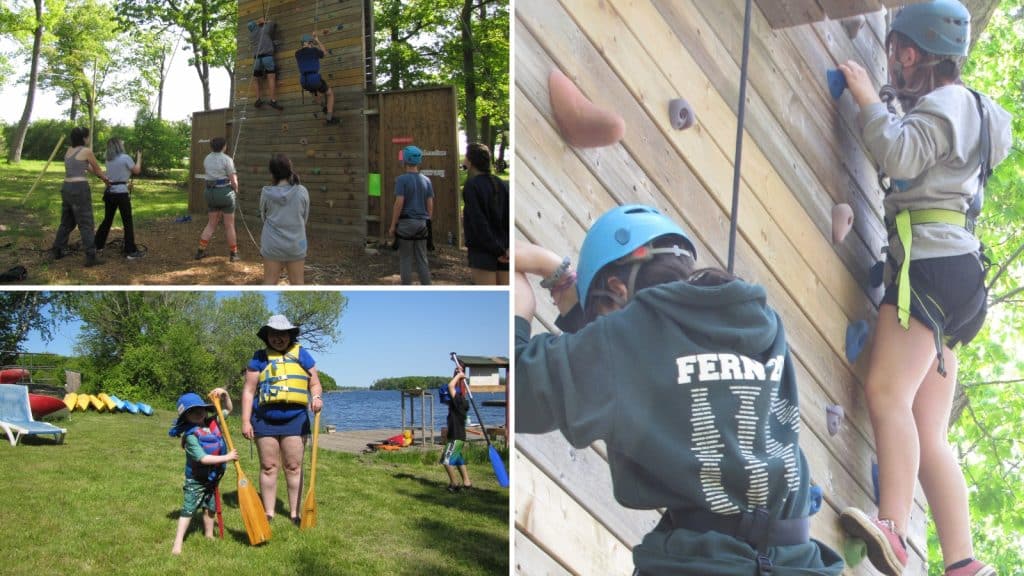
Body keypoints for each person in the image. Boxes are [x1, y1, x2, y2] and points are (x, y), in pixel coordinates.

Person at [514, 204, 844, 575]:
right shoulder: (756, 320)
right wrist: (568, 286)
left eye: (599, 317)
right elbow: (655, 368)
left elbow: (515, 394)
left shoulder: (629, 340)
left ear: (619, 290)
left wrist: (516, 315)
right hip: (796, 562)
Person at [836, 2, 1010, 576]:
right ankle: (963, 564)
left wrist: (866, 100)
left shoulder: (947, 104)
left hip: (927, 270)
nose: (891, 64)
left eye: (894, 54)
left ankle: (892, 527)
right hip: (961, 278)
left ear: (912, 52)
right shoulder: (976, 114)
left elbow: (901, 156)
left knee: (887, 393)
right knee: (928, 427)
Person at [241, 315, 324, 525]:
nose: (278, 338)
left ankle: (295, 513)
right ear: (267, 336)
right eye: (273, 334)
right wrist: (245, 421)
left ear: (290, 335)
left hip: (295, 419)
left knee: (293, 466)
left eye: (282, 334)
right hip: (264, 420)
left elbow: (314, 385)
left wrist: (316, 398)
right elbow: (249, 391)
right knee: (269, 466)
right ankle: (268, 512)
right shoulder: (259, 358)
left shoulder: (302, 355)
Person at [168, 388, 238, 555]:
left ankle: (208, 534)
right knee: (189, 509)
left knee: (211, 507)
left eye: (200, 409)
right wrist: (227, 457)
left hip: (212, 478)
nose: (198, 413)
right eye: (192, 412)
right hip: (196, 480)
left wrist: (226, 395)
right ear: (185, 417)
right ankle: (178, 542)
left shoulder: (213, 422)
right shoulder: (191, 437)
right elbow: (203, 459)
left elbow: (229, 409)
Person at [52, 126, 108, 267]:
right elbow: (97, 169)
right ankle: (91, 257)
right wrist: (107, 181)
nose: (89, 139)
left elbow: (86, 167)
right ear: (84, 138)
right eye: (88, 136)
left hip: (66, 188)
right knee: (86, 223)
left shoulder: (69, 151)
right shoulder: (86, 151)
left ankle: (58, 250)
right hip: (79, 190)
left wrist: (98, 174)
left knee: (67, 222)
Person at [461, 142, 509, 285]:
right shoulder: (502, 184)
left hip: (483, 252)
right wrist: (505, 249)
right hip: (505, 251)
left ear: (470, 161)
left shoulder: (471, 186)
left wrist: (497, 250)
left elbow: (478, 222)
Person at [259, 154, 309, 285]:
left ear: (272, 172)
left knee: (269, 282)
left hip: (272, 244)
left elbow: (263, 217)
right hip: (296, 244)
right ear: (289, 168)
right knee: (298, 283)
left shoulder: (266, 193)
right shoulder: (302, 191)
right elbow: (304, 218)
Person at [388, 145, 433, 285]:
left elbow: (399, 203)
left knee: (405, 258)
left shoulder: (402, 180)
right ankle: (427, 286)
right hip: (422, 224)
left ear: (405, 160)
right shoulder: (426, 180)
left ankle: (406, 286)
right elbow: (430, 203)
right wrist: (427, 221)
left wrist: (393, 225)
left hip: (406, 224)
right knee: (422, 258)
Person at [94, 138, 143, 259]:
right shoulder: (125, 158)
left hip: (110, 192)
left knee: (107, 220)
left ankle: (97, 245)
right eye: (122, 143)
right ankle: (130, 251)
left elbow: (114, 176)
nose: (123, 143)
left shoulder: (108, 160)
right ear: (118, 146)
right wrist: (139, 158)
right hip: (121, 194)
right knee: (127, 221)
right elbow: (136, 170)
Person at [196, 137, 240, 262]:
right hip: (224, 194)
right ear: (224, 146)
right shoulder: (227, 159)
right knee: (229, 225)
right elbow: (233, 180)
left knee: (211, 224)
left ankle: (200, 251)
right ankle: (234, 254)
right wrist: (236, 188)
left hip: (210, 193)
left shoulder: (207, 158)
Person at [295, 33, 340, 125]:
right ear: (307, 43)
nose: (312, 44)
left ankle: (324, 107)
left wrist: (311, 44)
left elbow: (306, 55)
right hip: (314, 78)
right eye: (311, 43)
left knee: (314, 92)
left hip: (303, 80)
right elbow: (324, 53)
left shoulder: (297, 53)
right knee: (330, 94)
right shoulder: (314, 51)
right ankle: (329, 118)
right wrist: (318, 40)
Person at [440, 368, 473, 493]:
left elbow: (450, 386)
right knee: (459, 460)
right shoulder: (460, 404)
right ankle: (467, 482)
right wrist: (457, 374)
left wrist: (459, 375)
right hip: (459, 437)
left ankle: (454, 483)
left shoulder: (458, 402)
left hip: (456, 437)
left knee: (446, 460)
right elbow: (453, 386)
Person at [247, 17, 283, 111]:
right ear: (256, 26)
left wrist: (258, 24)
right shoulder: (264, 29)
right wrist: (264, 21)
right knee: (271, 77)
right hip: (267, 57)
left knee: (256, 78)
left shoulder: (251, 35)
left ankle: (258, 98)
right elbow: (273, 23)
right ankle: (273, 100)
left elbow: (257, 29)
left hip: (257, 60)